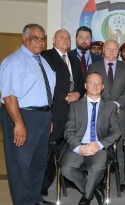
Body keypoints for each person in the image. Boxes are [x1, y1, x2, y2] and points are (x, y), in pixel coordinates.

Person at [0, 23, 56, 205]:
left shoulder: (42, 61)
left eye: (43, 38)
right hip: (23, 116)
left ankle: (35, 199)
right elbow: (9, 96)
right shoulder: (13, 61)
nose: (40, 42)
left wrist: (49, 117)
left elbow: (44, 92)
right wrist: (18, 123)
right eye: (35, 38)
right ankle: (23, 202)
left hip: (42, 117)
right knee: (21, 165)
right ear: (24, 39)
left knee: (38, 163)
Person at [61, 72, 121, 205]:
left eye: (98, 83)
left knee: (98, 167)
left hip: (98, 146)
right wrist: (79, 148)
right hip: (78, 144)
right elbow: (68, 132)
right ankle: (94, 189)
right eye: (91, 83)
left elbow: (116, 131)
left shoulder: (110, 107)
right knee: (66, 169)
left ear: (103, 87)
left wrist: (99, 144)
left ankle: (87, 199)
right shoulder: (75, 106)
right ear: (85, 86)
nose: (95, 86)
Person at [41, 28, 85, 195]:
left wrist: (78, 93)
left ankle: (69, 178)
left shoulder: (74, 59)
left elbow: (81, 82)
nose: (65, 40)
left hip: (72, 113)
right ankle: (44, 184)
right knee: (49, 150)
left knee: (70, 148)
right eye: (61, 37)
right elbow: (46, 82)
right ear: (53, 40)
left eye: (68, 37)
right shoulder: (46, 57)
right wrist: (64, 96)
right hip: (55, 112)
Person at [87, 39, 125, 190]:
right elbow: (90, 89)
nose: (111, 51)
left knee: (121, 146)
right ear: (103, 50)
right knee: (100, 146)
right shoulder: (93, 67)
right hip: (99, 113)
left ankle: (122, 179)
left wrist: (116, 104)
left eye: (115, 49)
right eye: (108, 48)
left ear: (118, 52)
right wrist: (107, 106)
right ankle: (100, 179)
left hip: (121, 113)